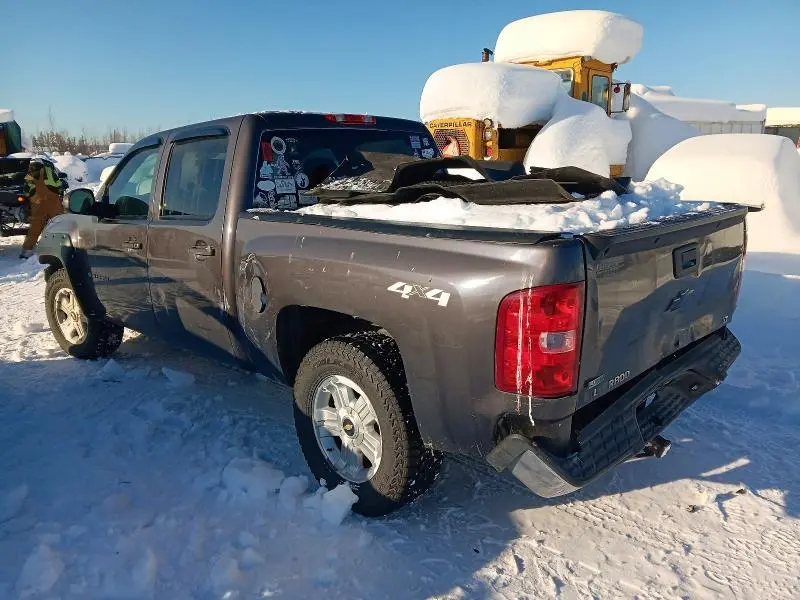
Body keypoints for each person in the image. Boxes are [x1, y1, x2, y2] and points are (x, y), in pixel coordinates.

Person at [19, 158, 64, 259]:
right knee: (59, 222)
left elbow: (26, 189)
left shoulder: (29, 173)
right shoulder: (50, 171)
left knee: (36, 226)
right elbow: (58, 184)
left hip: (37, 200)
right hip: (52, 198)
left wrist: (29, 196)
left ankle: (26, 252)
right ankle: (60, 246)